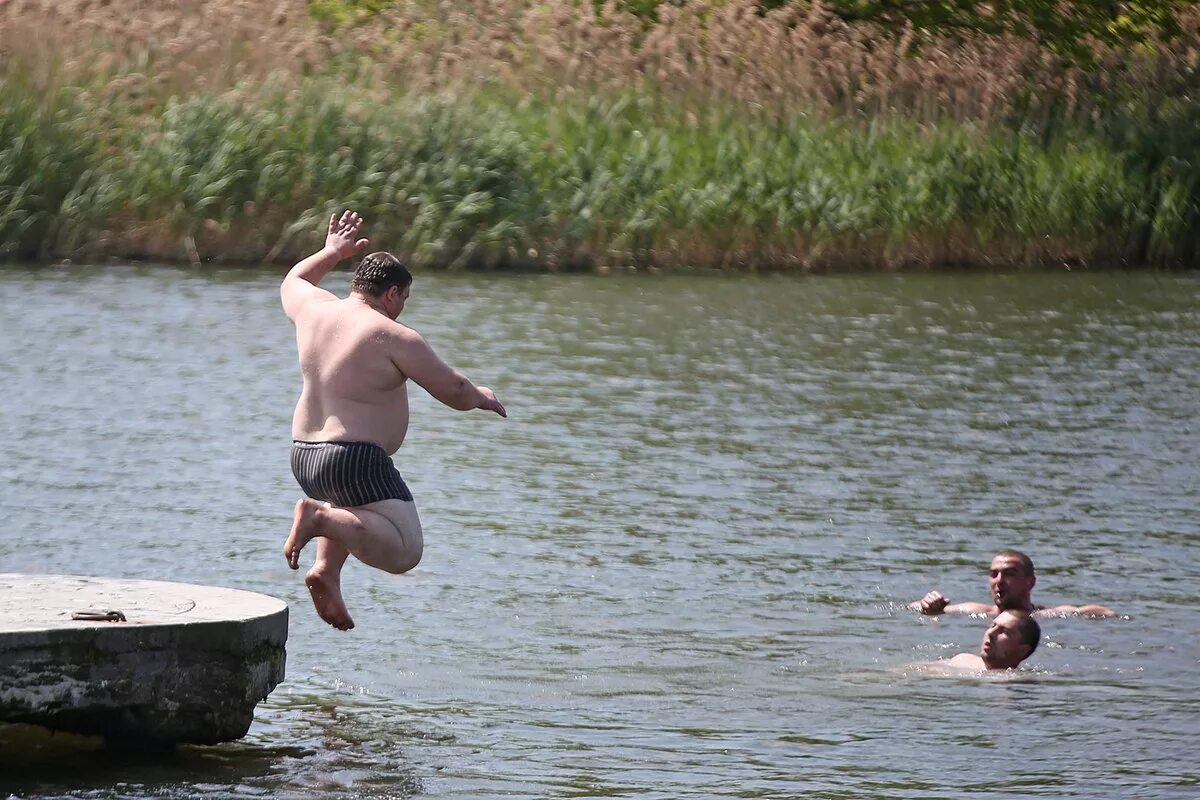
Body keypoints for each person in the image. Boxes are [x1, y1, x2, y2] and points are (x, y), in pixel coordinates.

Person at [280, 210, 507, 631]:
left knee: (351, 502)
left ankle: (326, 570)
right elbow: (452, 389)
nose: (401, 310)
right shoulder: (390, 334)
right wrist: (481, 397)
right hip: (354, 457)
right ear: (393, 295)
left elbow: (293, 281)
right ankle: (319, 519)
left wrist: (331, 252)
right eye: (403, 300)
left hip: (304, 455)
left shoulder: (314, 309)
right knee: (406, 550)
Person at [909, 550, 1117, 619]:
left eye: (1009, 574)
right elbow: (913, 606)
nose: (999, 580)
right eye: (994, 574)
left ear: (1030, 582)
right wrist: (929, 606)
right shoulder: (976, 611)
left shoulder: (1043, 615)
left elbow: (1099, 612)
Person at [934, 610, 1041, 672]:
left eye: (1004, 631)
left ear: (1022, 650)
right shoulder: (961, 659)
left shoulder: (1012, 681)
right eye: (992, 626)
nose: (990, 633)